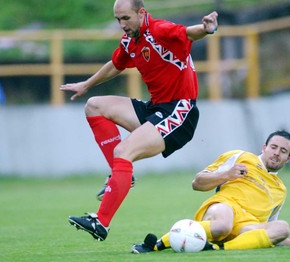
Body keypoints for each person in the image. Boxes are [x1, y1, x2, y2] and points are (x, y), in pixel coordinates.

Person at [60, 0, 218, 241]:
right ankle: (120, 174)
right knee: (94, 106)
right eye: (118, 20)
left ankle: (101, 222)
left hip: (180, 111)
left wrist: (206, 28)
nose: (122, 25)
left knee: (123, 151)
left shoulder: (159, 30)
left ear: (141, 13)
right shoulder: (131, 40)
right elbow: (116, 64)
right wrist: (86, 84)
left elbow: (188, 33)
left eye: (126, 18)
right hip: (155, 108)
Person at [131, 130, 290, 253]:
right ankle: (158, 245)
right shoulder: (240, 157)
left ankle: (217, 248)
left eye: (283, 151)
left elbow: (268, 231)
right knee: (223, 225)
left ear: (288, 158)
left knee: (283, 228)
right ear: (264, 147)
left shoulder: (281, 190)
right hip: (225, 207)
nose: (277, 153)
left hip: (247, 226)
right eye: (273, 147)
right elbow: (197, 183)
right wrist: (227, 174)